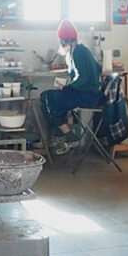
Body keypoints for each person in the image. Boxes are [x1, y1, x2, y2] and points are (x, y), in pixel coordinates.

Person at [40, 19, 101, 155]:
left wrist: (68, 88)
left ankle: (65, 135)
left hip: (86, 96)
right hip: (92, 94)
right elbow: (97, 69)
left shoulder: (77, 51)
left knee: (46, 98)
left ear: (63, 40)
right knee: (53, 102)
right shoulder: (83, 49)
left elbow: (82, 77)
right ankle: (64, 135)